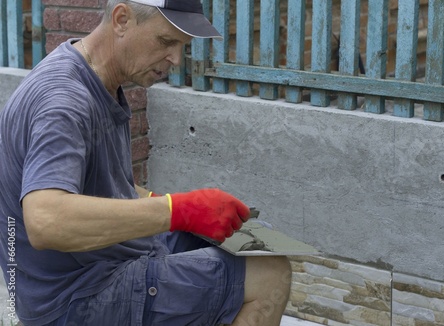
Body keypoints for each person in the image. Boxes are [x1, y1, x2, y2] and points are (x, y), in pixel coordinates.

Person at [0, 0, 291, 325]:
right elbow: (45, 220)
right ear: (122, 19)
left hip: (102, 260)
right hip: (72, 299)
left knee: (253, 242)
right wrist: (178, 210)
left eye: (183, 46)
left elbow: (101, 184)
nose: (176, 59)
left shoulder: (96, 79)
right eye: (166, 41)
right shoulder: (64, 102)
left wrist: (167, 204)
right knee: (268, 272)